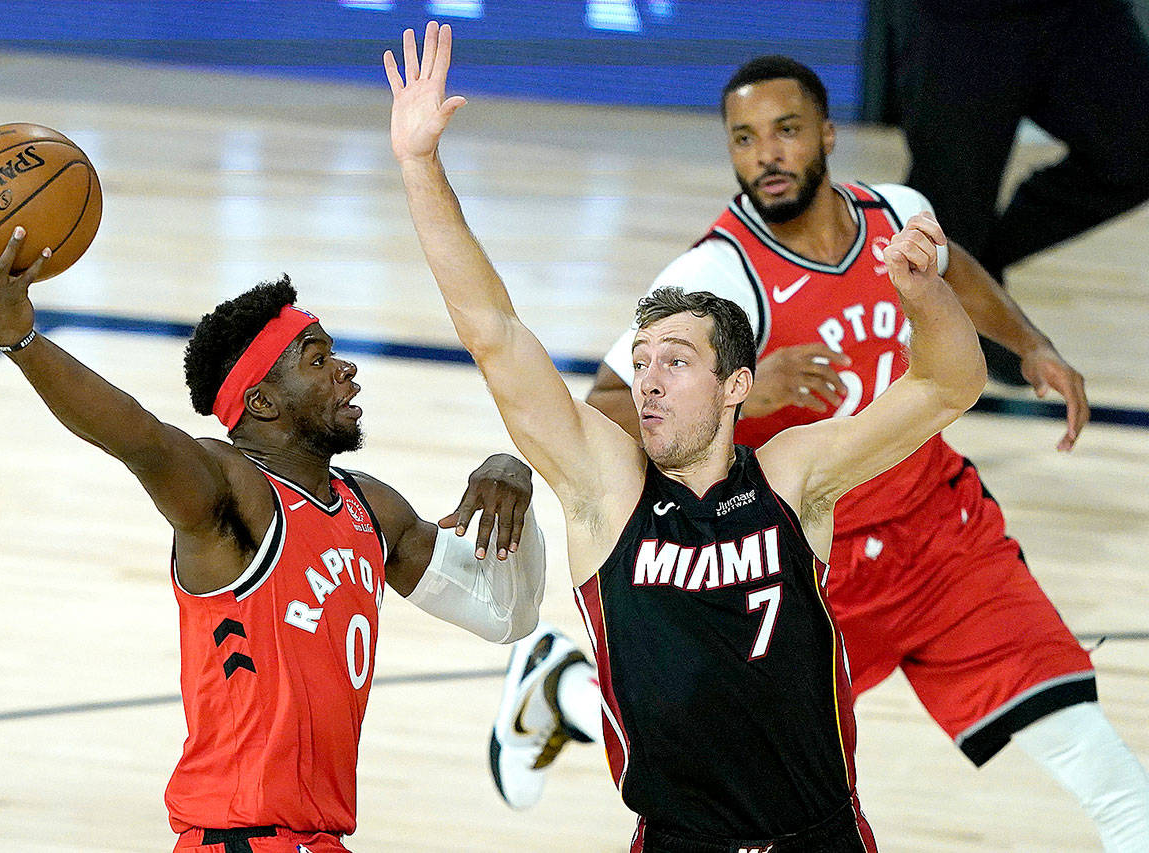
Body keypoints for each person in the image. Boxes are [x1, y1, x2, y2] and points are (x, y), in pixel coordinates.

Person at [492, 55, 1149, 851]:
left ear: (828, 134)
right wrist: (753, 388)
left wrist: (1028, 341)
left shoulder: (896, 211)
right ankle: (564, 688)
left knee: (1100, 764)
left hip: (944, 537)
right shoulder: (713, 275)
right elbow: (599, 407)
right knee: (727, 756)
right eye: (744, 139)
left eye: (786, 130)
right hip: (808, 564)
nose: (766, 153)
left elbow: (955, 270)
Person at [387, 22, 988, 851]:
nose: (650, 379)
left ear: (737, 385)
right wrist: (420, 166)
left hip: (824, 834)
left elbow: (948, 382)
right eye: (641, 362)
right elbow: (493, 329)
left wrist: (928, 299)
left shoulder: (792, 474)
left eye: (677, 360)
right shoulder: (608, 490)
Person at [0, 212, 548, 852]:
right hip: (239, 839)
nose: (348, 371)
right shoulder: (232, 494)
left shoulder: (370, 510)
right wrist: (20, 338)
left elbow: (504, 612)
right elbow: (136, 436)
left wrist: (516, 484)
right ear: (262, 402)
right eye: (319, 360)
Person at [889, 0, 1149, 384]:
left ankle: (974, 276)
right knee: (950, 202)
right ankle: (923, 327)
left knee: (1135, 154)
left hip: (1082, 13)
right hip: (960, 18)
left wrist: (974, 268)